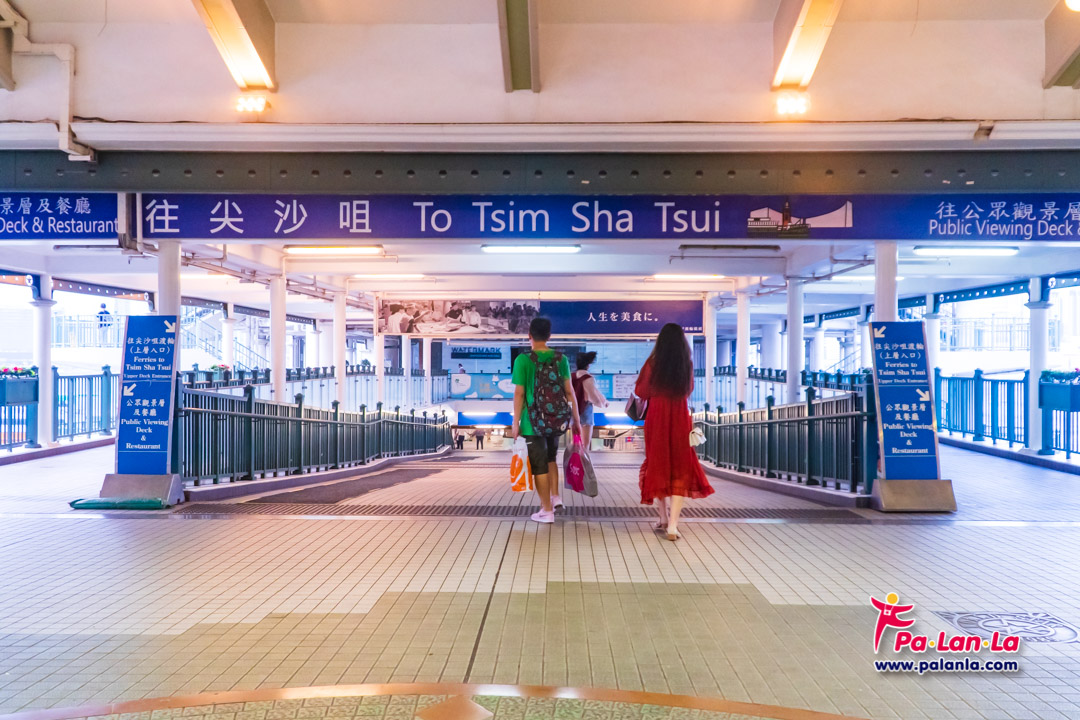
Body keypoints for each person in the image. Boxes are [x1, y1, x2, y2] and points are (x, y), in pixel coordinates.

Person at [635, 323, 714, 541]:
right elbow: (688, 390)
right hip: (680, 416)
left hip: (657, 417)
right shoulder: (686, 364)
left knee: (657, 464)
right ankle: (673, 526)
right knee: (680, 468)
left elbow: (641, 390)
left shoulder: (652, 363)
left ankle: (661, 517)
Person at [511, 317, 581, 524]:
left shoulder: (523, 360)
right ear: (549, 336)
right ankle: (555, 496)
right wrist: (576, 419)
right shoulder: (562, 359)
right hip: (556, 420)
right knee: (551, 458)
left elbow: (519, 394)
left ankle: (546, 510)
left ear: (529, 336)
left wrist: (515, 423)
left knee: (539, 465)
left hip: (532, 423)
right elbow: (569, 392)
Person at [571, 351, 607, 456]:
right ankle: (583, 467)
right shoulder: (588, 378)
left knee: (575, 444)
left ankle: (574, 466)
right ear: (588, 365)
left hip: (573, 411)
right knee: (585, 445)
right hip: (586, 411)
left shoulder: (572, 376)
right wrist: (602, 403)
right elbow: (592, 395)